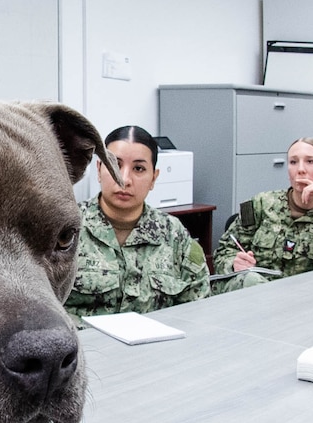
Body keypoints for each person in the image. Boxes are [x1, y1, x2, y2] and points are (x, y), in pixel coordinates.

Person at [65, 126, 209, 318]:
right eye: (114, 165)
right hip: (85, 345)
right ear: (99, 170)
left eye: (138, 169)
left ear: (153, 178)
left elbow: (198, 308)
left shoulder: (174, 234)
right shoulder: (67, 228)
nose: (124, 179)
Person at [211, 137, 313, 291]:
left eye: (310, 161)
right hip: (255, 297)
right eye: (293, 162)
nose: (300, 169)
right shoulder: (262, 204)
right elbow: (224, 251)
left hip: (305, 300)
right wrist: (234, 263)